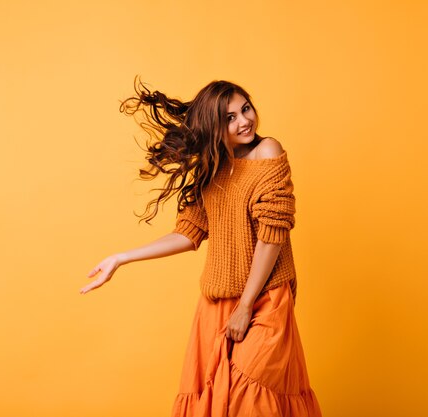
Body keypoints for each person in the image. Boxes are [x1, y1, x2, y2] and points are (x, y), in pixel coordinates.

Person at [80, 76, 322, 417]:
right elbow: (188, 233)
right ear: (213, 127)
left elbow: (272, 235)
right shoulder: (213, 171)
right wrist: (121, 258)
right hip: (217, 303)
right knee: (217, 402)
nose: (245, 121)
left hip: (265, 298)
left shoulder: (267, 151)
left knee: (250, 401)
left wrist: (247, 305)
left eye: (246, 109)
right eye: (230, 118)